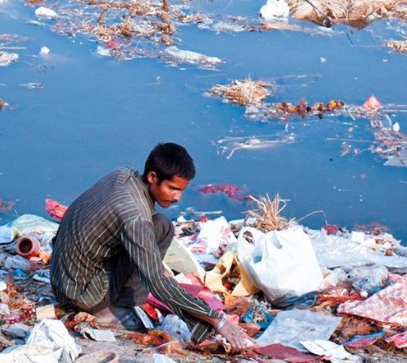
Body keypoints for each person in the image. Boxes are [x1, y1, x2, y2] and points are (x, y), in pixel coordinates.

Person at [49, 143, 255, 351]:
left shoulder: (124, 174)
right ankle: (112, 308)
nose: (177, 197)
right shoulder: (135, 217)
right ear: (152, 177)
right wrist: (217, 321)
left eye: (181, 190)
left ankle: (122, 298)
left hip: (62, 275)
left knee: (162, 226)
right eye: (172, 189)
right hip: (81, 292)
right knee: (155, 265)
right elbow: (157, 282)